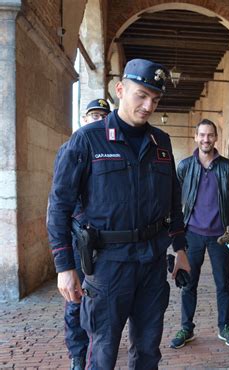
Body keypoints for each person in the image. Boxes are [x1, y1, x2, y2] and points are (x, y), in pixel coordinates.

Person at [47, 58, 191, 369]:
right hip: (107, 266)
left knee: (148, 349)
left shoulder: (161, 143)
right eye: (141, 95)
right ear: (120, 89)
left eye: (155, 99)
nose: (148, 105)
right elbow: (59, 204)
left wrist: (180, 247)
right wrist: (64, 266)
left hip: (152, 263)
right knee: (103, 350)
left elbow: (173, 201)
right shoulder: (87, 140)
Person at [170, 119, 229, 349]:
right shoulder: (184, 166)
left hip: (220, 236)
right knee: (189, 284)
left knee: (223, 284)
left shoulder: (228, 167)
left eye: (210, 135)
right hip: (192, 234)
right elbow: (175, 197)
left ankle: (225, 327)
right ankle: (186, 328)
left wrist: (224, 219)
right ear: (196, 137)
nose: (206, 139)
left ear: (215, 137)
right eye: (202, 135)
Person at [62, 99, 110, 370]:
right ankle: (78, 353)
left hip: (105, 243)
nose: (97, 120)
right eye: (93, 115)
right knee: (75, 300)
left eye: (102, 116)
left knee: (104, 301)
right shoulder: (70, 150)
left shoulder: (114, 153)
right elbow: (60, 202)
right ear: (84, 119)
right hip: (79, 240)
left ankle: (100, 345)